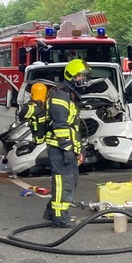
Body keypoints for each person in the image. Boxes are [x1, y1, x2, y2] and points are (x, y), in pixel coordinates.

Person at [44, 59, 89, 228]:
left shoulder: (69, 95)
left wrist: (79, 148)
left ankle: (52, 212)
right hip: (59, 147)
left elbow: (73, 127)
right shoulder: (59, 95)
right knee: (64, 182)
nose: (83, 81)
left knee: (71, 181)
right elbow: (60, 125)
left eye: (84, 77)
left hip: (67, 146)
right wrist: (67, 148)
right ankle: (59, 217)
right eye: (80, 77)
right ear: (71, 76)